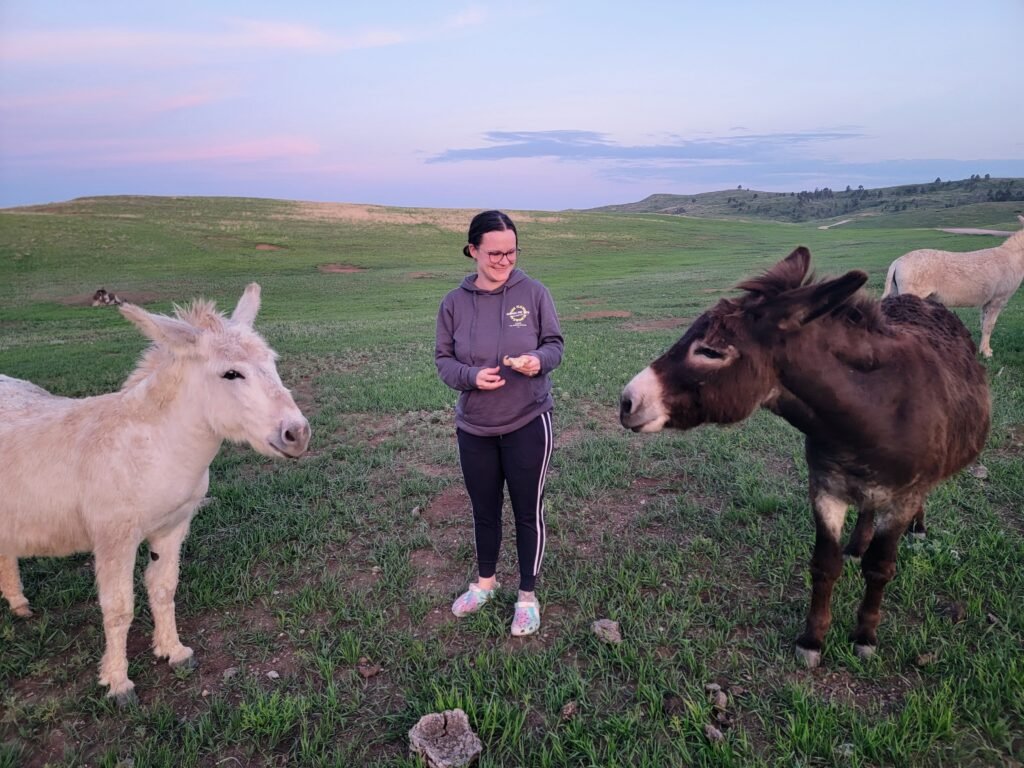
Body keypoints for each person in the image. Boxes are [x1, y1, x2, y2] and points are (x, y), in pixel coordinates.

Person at [435, 210, 564, 636]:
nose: (504, 260)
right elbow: (444, 362)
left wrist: (536, 362)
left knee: (528, 511)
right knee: (484, 510)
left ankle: (527, 596)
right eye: (494, 253)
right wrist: (471, 377)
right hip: (475, 427)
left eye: (511, 252)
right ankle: (485, 584)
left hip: (528, 420)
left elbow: (555, 346)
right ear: (473, 250)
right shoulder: (453, 303)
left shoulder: (535, 293)